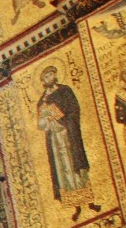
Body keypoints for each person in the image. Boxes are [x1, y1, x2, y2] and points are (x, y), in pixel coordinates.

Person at [36, 65, 99, 220]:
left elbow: (74, 109)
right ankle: (76, 206)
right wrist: (47, 119)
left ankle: (89, 202)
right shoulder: (42, 100)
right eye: (45, 77)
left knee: (76, 165)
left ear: (55, 76)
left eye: (51, 75)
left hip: (69, 133)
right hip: (55, 139)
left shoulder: (65, 91)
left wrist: (63, 118)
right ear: (43, 81)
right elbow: (40, 124)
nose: (49, 78)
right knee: (63, 169)